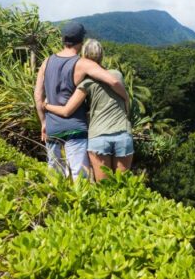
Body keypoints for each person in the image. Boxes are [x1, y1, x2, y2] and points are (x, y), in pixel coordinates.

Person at [34, 23, 128, 180]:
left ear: (63, 39)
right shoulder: (82, 63)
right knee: (80, 176)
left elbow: (38, 95)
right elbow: (114, 82)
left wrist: (43, 122)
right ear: (81, 40)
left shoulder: (47, 62)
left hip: (52, 127)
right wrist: (125, 97)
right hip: (75, 127)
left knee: (54, 175)